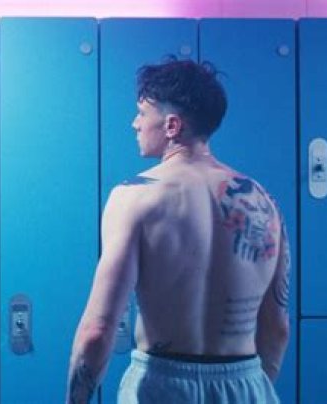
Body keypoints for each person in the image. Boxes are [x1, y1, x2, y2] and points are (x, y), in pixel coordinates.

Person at [66, 59, 290, 403]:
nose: (135, 123)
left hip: (162, 385)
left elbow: (97, 330)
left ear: (172, 125)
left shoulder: (134, 196)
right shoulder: (263, 201)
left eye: (142, 113)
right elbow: (277, 329)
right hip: (244, 382)